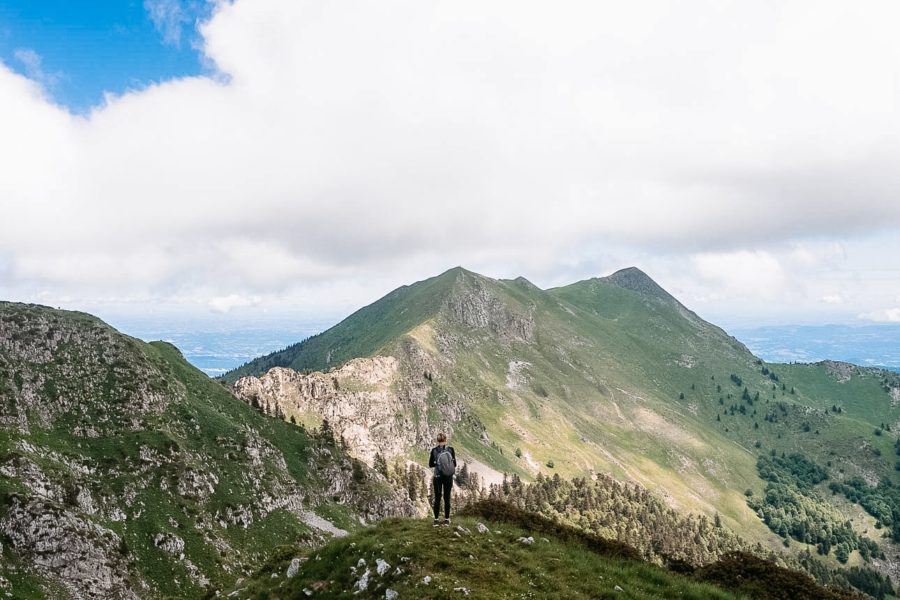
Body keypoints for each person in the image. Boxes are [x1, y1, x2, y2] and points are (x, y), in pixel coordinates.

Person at [428, 432, 457, 526]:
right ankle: (447, 519)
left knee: (437, 498)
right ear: (446, 440)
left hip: (437, 477)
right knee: (447, 497)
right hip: (448, 477)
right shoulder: (451, 450)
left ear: (437, 441)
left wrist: (437, 462)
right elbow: (454, 464)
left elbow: (430, 464)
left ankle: (436, 520)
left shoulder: (434, 450)